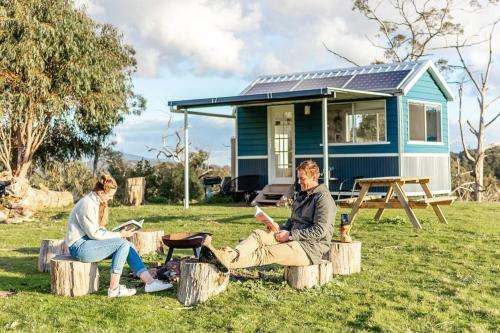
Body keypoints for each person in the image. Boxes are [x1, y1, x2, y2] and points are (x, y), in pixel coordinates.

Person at [200, 160, 336, 271]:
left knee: (266, 252)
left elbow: (320, 230)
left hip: (309, 249)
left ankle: (222, 261)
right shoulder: (302, 195)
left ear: (314, 177)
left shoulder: (323, 199)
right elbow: (293, 221)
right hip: (292, 237)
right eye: (298, 178)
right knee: (258, 234)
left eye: (302, 178)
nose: (299, 182)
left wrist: (289, 235)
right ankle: (231, 255)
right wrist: (278, 227)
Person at [64, 174, 172, 297]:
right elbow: (94, 234)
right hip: (79, 247)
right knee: (123, 244)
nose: (111, 198)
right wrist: (119, 234)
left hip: (88, 243)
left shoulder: (95, 202)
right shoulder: (87, 204)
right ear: (100, 192)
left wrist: (118, 233)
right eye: (110, 195)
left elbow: (96, 230)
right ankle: (114, 289)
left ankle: (150, 283)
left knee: (128, 246)